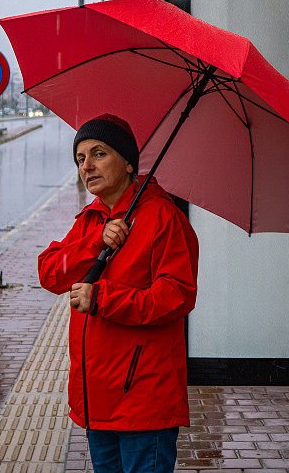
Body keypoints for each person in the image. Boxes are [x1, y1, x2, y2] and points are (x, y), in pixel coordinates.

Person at [38, 114, 199, 473]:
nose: (87, 166)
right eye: (80, 159)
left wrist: (102, 299)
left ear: (128, 162)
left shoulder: (163, 219)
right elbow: (50, 273)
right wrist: (97, 240)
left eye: (99, 154)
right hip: (98, 399)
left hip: (143, 400)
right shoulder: (91, 219)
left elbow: (176, 297)